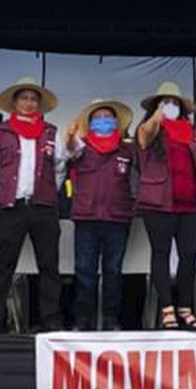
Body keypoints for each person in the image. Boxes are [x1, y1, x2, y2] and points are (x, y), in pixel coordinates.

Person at [0, 77, 67, 333]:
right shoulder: (0, 133)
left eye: (33, 99)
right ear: (14, 103)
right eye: (24, 98)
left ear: (39, 104)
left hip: (43, 207)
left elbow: (60, 168)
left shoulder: (52, 132)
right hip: (11, 207)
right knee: (4, 265)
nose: (28, 103)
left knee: (49, 265)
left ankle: (51, 318)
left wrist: (48, 192)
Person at [136, 81, 196, 330]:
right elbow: (144, 138)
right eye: (165, 102)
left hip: (188, 202)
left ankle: (185, 307)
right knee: (161, 253)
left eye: (174, 103)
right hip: (158, 202)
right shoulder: (149, 127)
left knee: (189, 255)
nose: (170, 106)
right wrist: (157, 116)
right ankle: (167, 309)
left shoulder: (191, 131)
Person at [64, 98, 136, 331]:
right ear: (90, 123)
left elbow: (136, 181)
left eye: (107, 117)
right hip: (87, 217)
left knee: (113, 271)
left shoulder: (127, 149)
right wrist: (70, 135)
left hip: (118, 217)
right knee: (85, 270)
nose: (103, 121)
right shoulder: (82, 146)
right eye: (98, 118)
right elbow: (69, 150)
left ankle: (111, 319)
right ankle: (82, 320)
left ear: (115, 122)